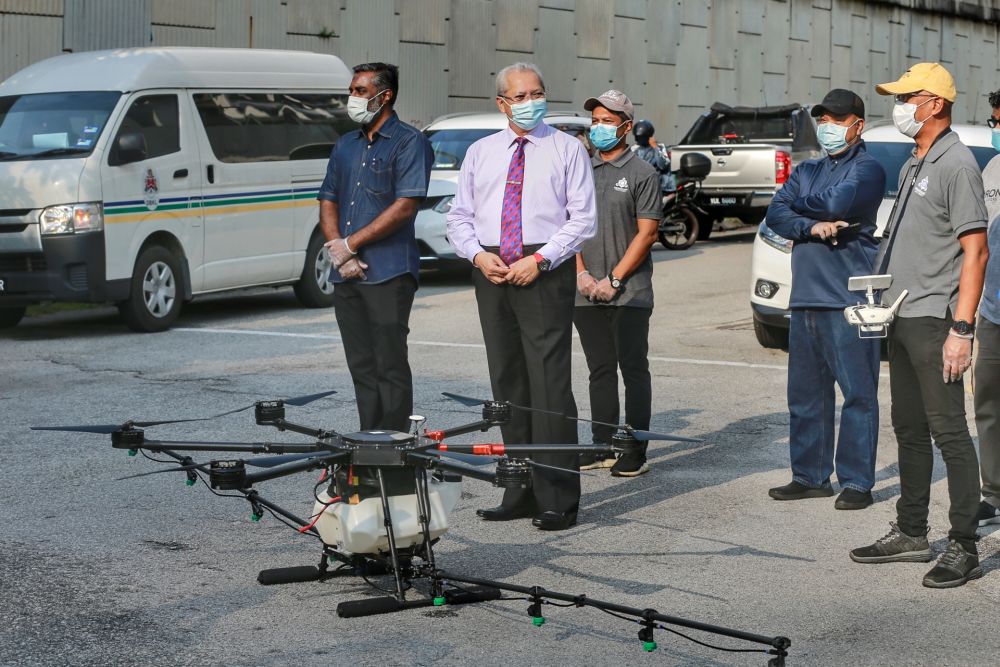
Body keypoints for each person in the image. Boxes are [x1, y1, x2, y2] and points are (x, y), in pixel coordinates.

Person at [850, 63, 990, 589]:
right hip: (901, 315)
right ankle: (911, 532)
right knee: (909, 429)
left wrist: (962, 328)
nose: (900, 105)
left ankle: (963, 545)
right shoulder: (916, 161)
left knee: (949, 432)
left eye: (907, 97)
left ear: (934, 103)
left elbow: (975, 251)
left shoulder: (956, 163)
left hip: (936, 319)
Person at [446, 62, 597, 531]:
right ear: (502, 103)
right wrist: (476, 255)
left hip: (542, 268)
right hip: (492, 268)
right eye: (519, 95)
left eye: (537, 92)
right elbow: (459, 217)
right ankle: (519, 487)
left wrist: (542, 259)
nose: (530, 101)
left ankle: (557, 496)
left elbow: (582, 219)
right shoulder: (481, 152)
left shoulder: (567, 148)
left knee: (549, 382)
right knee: (507, 379)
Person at [764, 89, 886, 510]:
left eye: (838, 119)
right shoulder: (808, 169)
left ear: (858, 124)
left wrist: (795, 208)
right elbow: (774, 214)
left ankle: (856, 482)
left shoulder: (868, 169)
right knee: (805, 394)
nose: (829, 126)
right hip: (806, 296)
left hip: (848, 297)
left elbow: (836, 201)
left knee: (857, 393)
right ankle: (810, 476)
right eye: (824, 119)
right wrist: (813, 227)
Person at [317, 62, 433, 432]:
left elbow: (405, 206)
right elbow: (328, 198)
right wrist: (338, 248)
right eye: (352, 90)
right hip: (346, 274)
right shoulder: (345, 144)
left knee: (389, 365)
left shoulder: (409, 142)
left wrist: (351, 244)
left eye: (361, 91)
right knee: (362, 367)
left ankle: (394, 448)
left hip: (389, 272)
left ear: (386, 96)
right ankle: (368, 444)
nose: (353, 98)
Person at [574, 91, 661, 477]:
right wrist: (580, 273)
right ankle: (602, 444)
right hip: (585, 290)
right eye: (595, 119)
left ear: (626, 126)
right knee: (599, 370)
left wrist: (613, 279)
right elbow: (568, 228)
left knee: (633, 369)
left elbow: (646, 234)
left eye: (608, 121)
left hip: (630, 293)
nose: (599, 127)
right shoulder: (581, 170)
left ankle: (633, 448)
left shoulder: (642, 172)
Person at [974, 90, 1000, 527]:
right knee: (988, 403)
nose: (995, 130)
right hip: (992, 311)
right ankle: (993, 491)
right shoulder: (992, 168)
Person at [632, 119, 675, 193]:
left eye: (643, 137)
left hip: (659, 185)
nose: (640, 140)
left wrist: (656, 148)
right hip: (639, 185)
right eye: (639, 137)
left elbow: (663, 165)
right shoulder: (634, 149)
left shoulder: (660, 147)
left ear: (649, 136)